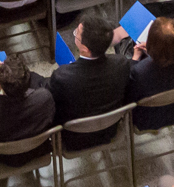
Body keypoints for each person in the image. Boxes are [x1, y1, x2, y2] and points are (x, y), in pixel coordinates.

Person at [48, 12, 135, 148]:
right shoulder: (121, 64)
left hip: (73, 139)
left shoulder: (62, 77)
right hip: (109, 130)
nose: (75, 33)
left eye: (76, 33)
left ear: (85, 49)